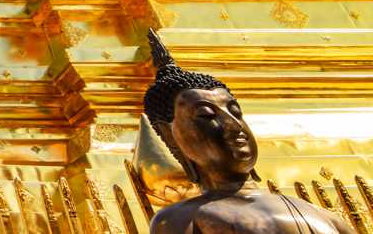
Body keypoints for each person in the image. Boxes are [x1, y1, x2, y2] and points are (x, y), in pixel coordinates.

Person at [144, 30, 353, 234]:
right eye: (207, 115)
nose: (234, 125)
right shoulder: (179, 221)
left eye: (236, 112)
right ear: (170, 134)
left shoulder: (324, 217)